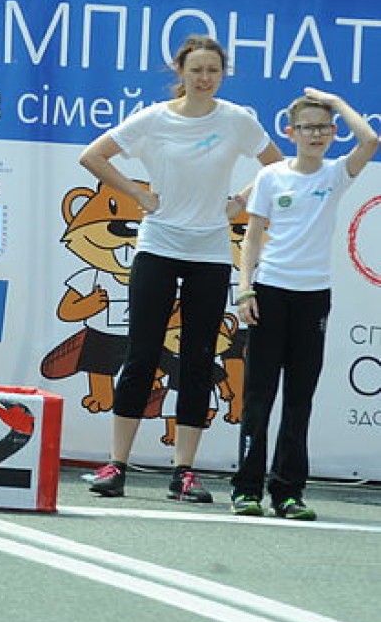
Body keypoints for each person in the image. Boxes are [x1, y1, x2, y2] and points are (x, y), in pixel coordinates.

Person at [79, 34, 281, 502]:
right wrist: (138, 195)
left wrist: (241, 201)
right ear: (181, 74)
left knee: (197, 359)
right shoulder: (153, 120)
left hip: (210, 253)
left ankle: (184, 471)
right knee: (142, 353)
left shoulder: (237, 121)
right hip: (158, 246)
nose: (205, 78)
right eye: (196, 71)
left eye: (213, 70)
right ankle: (117, 465)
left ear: (222, 74)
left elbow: (276, 164)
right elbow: (92, 156)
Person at [230, 89, 378, 520]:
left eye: (323, 127)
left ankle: (288, 492)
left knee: (299, 397)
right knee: (258, 395)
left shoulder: (335, 174)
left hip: (313, 298)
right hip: (269, 291)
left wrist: (335, 101)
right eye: (307, 127)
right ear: (290, 132)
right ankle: (247, 489)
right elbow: (253, 235)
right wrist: (245, 289)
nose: (316, 134)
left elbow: (369, 140)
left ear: (333, 132)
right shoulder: (272, 176)